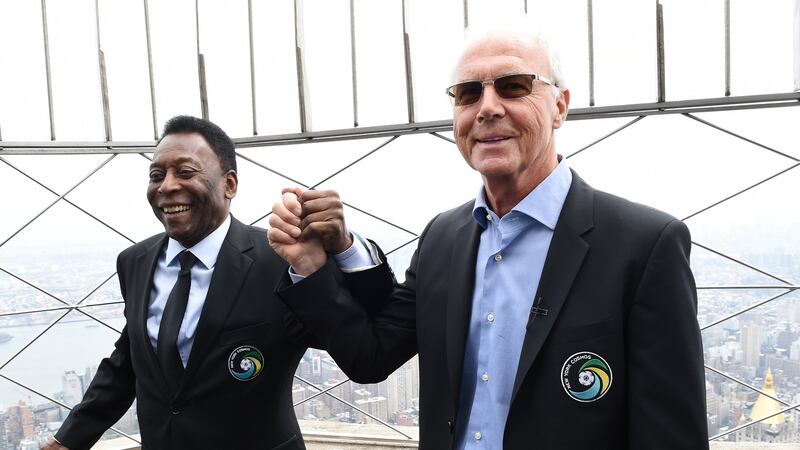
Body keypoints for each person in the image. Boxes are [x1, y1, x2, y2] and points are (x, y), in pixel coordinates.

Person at [268, 28, 709, 449]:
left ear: (560, 106)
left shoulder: (644, 245)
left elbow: (671, 436)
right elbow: (372, 356)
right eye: (468, 93)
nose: (487, 108)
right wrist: (314, 262)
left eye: (513, 85)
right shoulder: (443, 238)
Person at [43, 115, 343, 450]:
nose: (167, 186)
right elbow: (130, 360)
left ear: (229, 184)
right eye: (156, 175)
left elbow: (343, 336)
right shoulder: (134, 262)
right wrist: (68, 439)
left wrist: (342, 247)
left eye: (185, 172)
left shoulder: (280, 259)